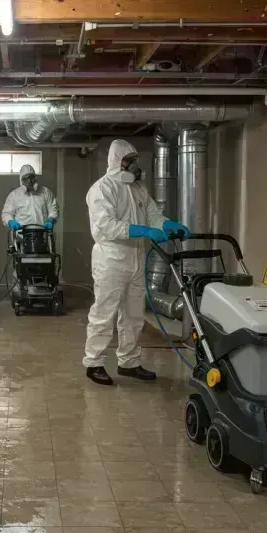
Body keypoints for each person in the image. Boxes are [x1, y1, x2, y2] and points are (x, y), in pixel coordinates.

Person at [83, 139, 190, 386]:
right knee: (104, 313)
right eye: (128, 160)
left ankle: (128, 362)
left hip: (136, 259)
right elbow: (105, 226)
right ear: (117, 161)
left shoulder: (139, 189)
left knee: (133, 315)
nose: (133, 165)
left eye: (134, 160)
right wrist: (142, 230)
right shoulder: (102, 189)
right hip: (111, 259)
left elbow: (153, 214)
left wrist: (165, 224)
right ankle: (94, 362)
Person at [1, 164, 59, 232]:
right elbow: (6, 213)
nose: (29, 181)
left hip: (42, 233)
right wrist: (10, 221)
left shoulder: (45, 192)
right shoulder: (14, 195)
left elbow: (53, 208)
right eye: (26, 178)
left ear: (35, 178)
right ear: (21, 180)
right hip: (22, 235)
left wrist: (50, 220)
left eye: (31, 177)